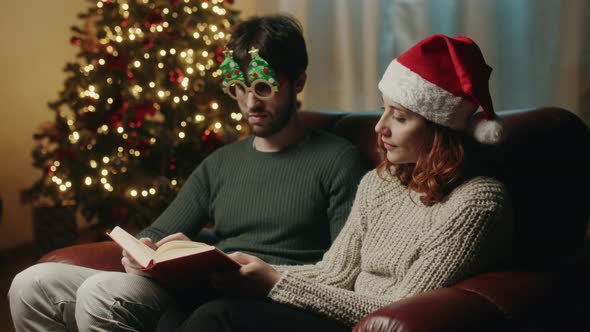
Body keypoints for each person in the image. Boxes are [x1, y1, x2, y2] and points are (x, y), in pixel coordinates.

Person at [8, 15, 369, 332]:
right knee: (33, 283)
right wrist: (143, 251)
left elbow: (343, 271)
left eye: (263, 88)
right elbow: (156, 234)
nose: (250, 104)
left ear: (298, 82)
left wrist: (265, 275)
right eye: (240, 89)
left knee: (100, 294)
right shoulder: (222, 162)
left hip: (262, 299)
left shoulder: (338, 160)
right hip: (199, 288)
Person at [172, 34, 515, 331]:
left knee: (217, 319)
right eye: (383, 111)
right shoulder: (381, 183)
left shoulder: (477, 202)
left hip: (365, 323)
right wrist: (236, 266)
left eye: (399, 117)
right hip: (333, 309)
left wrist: (275, 283)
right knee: (180, 309)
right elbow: (333, 274)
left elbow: (400, 306)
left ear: (439, 128)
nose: (381, 128)